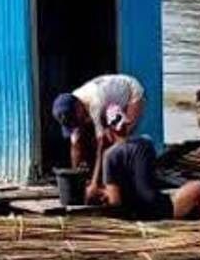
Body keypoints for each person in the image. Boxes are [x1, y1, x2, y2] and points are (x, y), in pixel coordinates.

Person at [97, 104, 200, 221]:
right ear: (127, 123)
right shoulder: (145, 142)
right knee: (198, 187)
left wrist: (103, 192)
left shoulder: (108, 156)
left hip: (135, 213)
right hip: (156, 209)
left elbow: (115, 201)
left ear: (108, 130)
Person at [51, 74, 146, 204]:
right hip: (107, 98)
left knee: (118, 142)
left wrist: (94, 183)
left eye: (75, 120)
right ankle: (99, 181)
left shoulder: (96, 103)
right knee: (87, 139)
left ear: (79, 109)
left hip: (130, 93)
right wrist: (78, 180)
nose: (74, 124)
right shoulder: (71, 103)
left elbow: (102, 147)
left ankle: (118, 183)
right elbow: (75, 144)